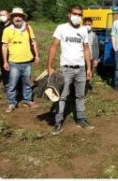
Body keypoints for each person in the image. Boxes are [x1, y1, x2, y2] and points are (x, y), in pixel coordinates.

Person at [47, 4, 93, 135]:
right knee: (62, 97)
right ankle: (58, 122)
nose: (77, 17)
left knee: (80, 96)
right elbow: (54, 46)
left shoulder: (84, 30)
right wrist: (49, 66)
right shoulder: (61, 28)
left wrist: (89, 68)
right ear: (69, 14)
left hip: (80, 69)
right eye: (75, 14)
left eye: (79, 15)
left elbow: (86, 49)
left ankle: (81, 119)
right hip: (66, 69)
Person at [2, 7, 39, 113]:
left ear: (23, 17)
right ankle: (11, 103)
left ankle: (27, 100)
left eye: (20, 16)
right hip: (14, 62)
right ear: (12, 18)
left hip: (27, 61)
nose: (18, 18)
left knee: (27, 83)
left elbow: (33, 42)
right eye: (15, 16)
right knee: (12, 84)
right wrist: (5, 61)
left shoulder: (28, 28)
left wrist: (36, 55)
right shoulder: (7, 30)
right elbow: (4, 46)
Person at [0, 9, 12, 90]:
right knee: (3, 67)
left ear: (8, 15)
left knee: (12, 68)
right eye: (0, 15)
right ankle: (6, 85)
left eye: (3, 15)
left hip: (12, 50)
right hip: (2, 49)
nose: (2, 17)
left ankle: (13, 85)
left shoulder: (13, 25)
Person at [84, 18, 99, 90]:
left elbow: (96, 47)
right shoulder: (80, 34)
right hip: (81, 58)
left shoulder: (94, 35)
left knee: (90, 72)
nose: (88, 26)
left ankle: (86, 84)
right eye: (86, 24)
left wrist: (95, 59)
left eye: (89, 24)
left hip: (91, 57)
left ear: (92, 25)